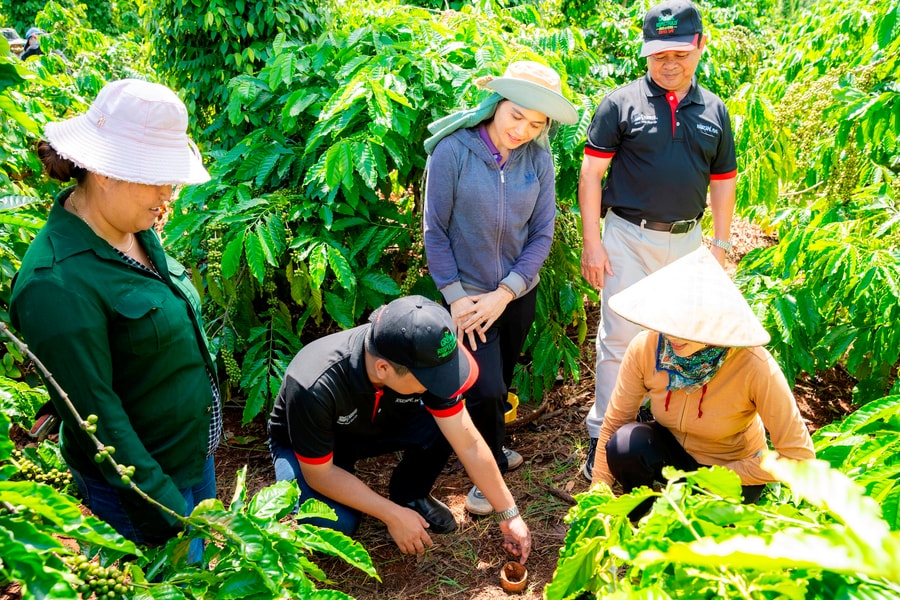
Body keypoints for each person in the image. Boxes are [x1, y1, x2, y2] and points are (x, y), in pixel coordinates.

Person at [9, 79, 218, 560]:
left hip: (189, 454)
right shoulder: (55, 284)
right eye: (157, 178)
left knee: (205, 570)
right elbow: (97, 419)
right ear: (105, 172)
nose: (167, 193)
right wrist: (170, 510)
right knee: (172, 579)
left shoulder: (130, 226)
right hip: (145, 486)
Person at [579, 0, 738, 479]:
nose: (669, 64)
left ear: (700, 46)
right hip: (627, 236)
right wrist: (592, 242)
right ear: (646, 52)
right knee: (620, 336)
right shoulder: (620, 103)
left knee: (681, 338)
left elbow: (723, 181)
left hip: (688, 242)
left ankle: (662, 430)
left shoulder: (714, 110)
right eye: (658, 55)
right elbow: (591, 174)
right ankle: (604, 435)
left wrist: (721, 245)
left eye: (680, 54)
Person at [423, 61, 579, 515]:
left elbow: (542, 234)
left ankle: (491, 445)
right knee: (486, 388)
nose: (522, 131)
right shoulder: (453, 151)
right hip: (469, 298)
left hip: (516, 295)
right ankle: (485, 475)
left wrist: (507, 291)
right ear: (497, 103)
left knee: (502, 376)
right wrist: (456, 299)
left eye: (536, 124)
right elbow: (435, 232)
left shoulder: (539, 160)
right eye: (516, 116)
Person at [267, 295, 532, 562]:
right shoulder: (314, 385)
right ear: (383, 368)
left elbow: (469, 443)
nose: (440, 384)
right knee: (335, 524)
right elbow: (319, 474)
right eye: (432, 379)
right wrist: (390, 514)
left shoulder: (420, 354)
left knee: (446, 426)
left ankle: (410, 496)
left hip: (375, 423)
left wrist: (509, 514)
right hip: (315, 448)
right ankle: (378, 503)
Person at [590, 247, 815, 517]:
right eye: (670, 323)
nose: (674, 336)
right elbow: (615, 423)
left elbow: (799, 457)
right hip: (674, 457)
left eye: (688, 327)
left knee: (705, 531)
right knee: (625, 444)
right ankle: (641, 519)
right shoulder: (646, 348)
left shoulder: (754, 365)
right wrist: (597, 496)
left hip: (730, 470)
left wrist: (720, 476)